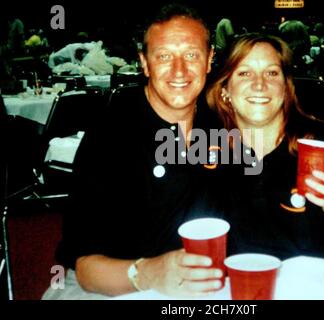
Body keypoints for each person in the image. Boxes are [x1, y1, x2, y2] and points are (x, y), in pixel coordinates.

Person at [42, 3, 224, 299]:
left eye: (191, 54)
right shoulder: (111, 136)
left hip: (192, 287)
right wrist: (150, 272)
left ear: (209, 59)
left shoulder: (220, 126)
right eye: (164, 56)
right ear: (144, 62)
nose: (179, 70)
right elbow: (87, 270)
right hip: (107, 286)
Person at [206, 33, 324, 264]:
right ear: (225, 91)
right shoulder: (209, 152)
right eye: (244, 73)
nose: (260, 84)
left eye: (272, 73)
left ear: (285, 87)